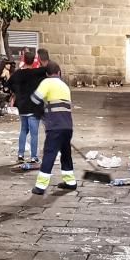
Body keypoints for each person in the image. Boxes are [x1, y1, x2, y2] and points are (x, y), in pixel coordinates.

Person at [30, 61, 76, 194]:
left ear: (46, 74)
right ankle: (70, 182)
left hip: (54, 126)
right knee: (66, 153)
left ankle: (40, 186)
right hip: (67, 126)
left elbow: (35, 99)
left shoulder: (47, 82)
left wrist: (42, 112)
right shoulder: (65, 86)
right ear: (59, 72)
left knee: (50, 153)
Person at [7, 51, 47, 164]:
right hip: (34, 107)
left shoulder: (18, 73)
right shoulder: (38, 73)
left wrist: (17, 92)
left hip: (22, 106)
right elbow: (48, 69)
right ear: (34, 60)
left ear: (23, 59)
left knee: (23, 130)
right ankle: (33, 157)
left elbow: (9, 84)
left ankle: (20, 154)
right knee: (34, 133)